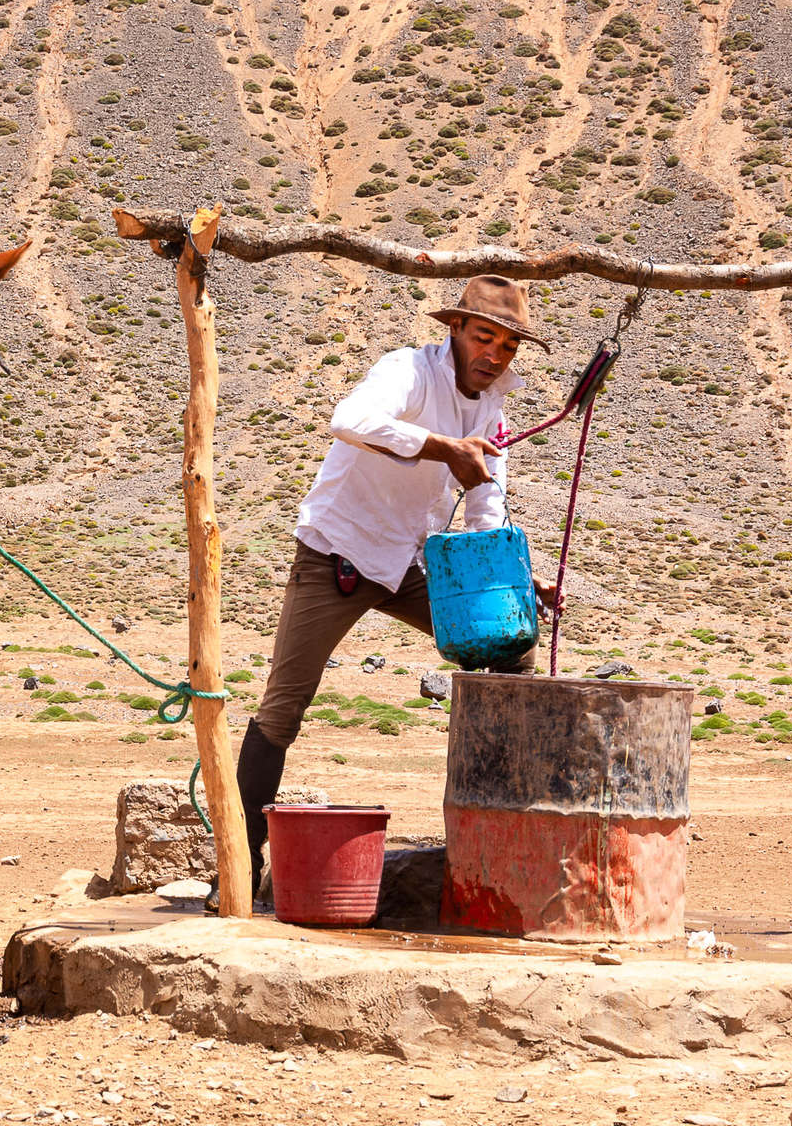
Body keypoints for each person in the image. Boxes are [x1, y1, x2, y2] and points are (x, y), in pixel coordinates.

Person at [234, 274, 563, 904]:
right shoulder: (408, 371)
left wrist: (508, 578)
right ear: (456, 332)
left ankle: (505, 836)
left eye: (508, 346)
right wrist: (440, 448)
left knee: (511, 646)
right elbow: (349, 420)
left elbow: (486, 506)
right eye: (484, 337)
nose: (493, 355)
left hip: (412, 562)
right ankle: (243, 869)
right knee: (284, 707)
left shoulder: (495, 408)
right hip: (340, 554)